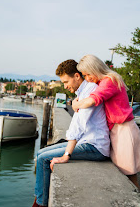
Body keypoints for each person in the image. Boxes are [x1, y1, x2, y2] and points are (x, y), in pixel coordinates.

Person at [32, 59, 110, 207]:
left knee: (43, 159)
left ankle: (40, 204)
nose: (65, 86)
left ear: (76, 76)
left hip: (95, 146)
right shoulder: (82, 93)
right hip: (86, 142)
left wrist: (66, 155)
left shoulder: (91, 90)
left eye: (66, 81)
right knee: (40, 153)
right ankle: (40, 198)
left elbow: (79, 125)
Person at [72, 54, 140, 189]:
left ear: (95, 69)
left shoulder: (109, 81)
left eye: (87, 74)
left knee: (129, 176)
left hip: (123, 131)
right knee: (125, 175)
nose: (87, 78)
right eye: (84, 75)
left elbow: (93, 100)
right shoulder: (103, 81)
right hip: (117, 131)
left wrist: (76, 104)